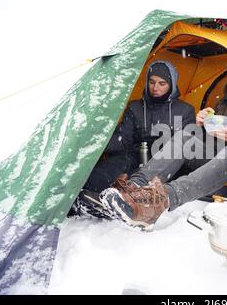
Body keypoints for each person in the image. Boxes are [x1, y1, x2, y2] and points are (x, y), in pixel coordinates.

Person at [98, 54, 227, 229]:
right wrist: (202, 124)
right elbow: (213, 133)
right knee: (186, 135)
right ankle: (134, 188)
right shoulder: (225, 101)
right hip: (214, 157)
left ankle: (160, 200)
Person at [69, 60, 195, 218]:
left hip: (165, 161)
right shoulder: (135, 107)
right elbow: (123, 140)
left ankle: (125, 204)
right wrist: (97, 139)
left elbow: (184, 147)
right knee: (102, 173)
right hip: (135, 155)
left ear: (172, 85)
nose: (155, 88)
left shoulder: (185, 111)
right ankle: (85, 201)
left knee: (141, 179)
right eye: (152, 82)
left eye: (162, 83)